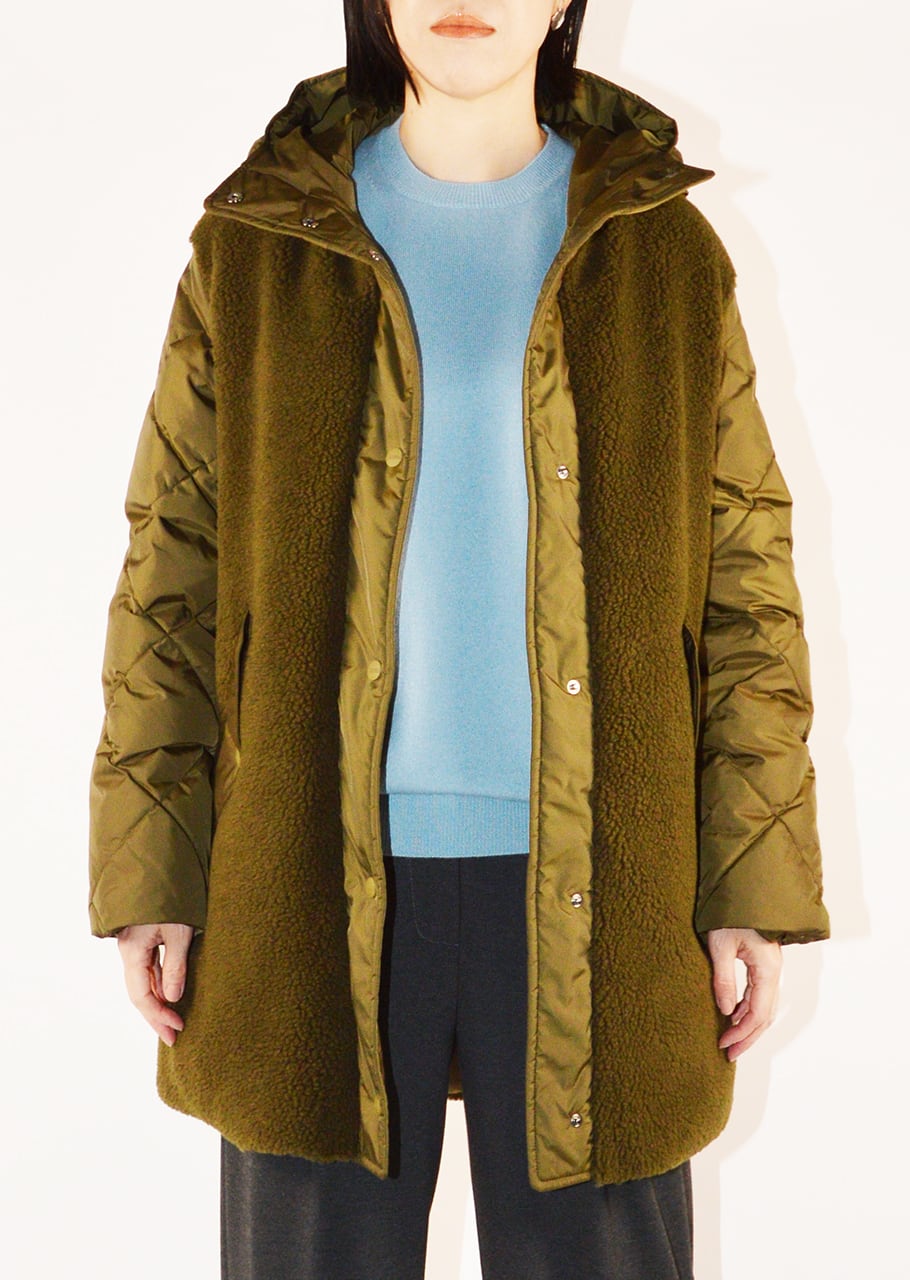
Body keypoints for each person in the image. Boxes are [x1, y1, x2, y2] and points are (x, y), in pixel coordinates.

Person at [88, 2, 831, 1276]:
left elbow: (746, 589)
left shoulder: (661, 249)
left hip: (608, 883)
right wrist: (155, 864)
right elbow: (173, 573)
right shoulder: (259, 241)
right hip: (302, 879)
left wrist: (747, 884)